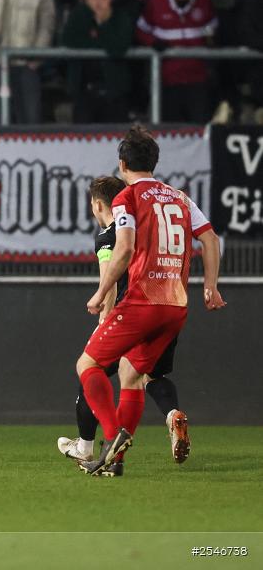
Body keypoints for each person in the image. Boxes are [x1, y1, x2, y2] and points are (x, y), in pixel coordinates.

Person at [75, 126, 226, 477]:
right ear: (154, 162)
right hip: (176, 305)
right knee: (131, 376)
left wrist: (101, 292)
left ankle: (113, 440)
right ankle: (116, 464)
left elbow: (124, 248)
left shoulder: (126, 197)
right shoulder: (179, 197)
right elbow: (211, 239)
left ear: (122, 163)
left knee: (88, 366)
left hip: (143, 302)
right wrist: (212, 286)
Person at [57, 176, 191, 475]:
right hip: (167, 303)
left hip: (130, 315)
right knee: (143, 378)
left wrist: (104, 314)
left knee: (89, 371)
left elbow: (111, 275)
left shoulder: (108, 235)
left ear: (96, 204)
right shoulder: (143, 223)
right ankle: (169, 417)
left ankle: (93, 443)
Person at [135, 0, 217, 123]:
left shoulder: (204, 2)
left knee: (200, 133)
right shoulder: (155, 3)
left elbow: (214, 31)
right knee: (169, 132)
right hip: (167, 82)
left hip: (197, 82)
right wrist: (153, 42)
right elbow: (141, 30)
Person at [61, 0, 134, 123]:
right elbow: (68, 41)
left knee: (116, 140)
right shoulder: (78, 16)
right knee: (82, 140)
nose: (99, 2)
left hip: (114, 93)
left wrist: (103, 25)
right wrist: (100, 42)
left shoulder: (122, 17)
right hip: (84, 92)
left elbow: (119, 48)